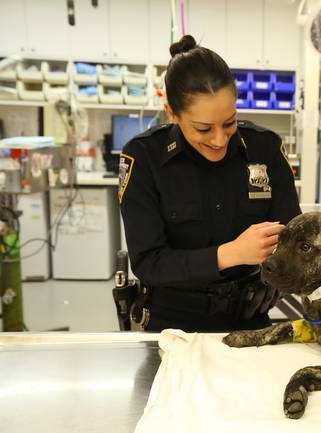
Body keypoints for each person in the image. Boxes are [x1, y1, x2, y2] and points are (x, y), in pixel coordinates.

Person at [119, 35, 301, 331]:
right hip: (172, 323)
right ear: (172, 114)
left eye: (229, 123)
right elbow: (149, 263)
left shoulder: (264, 148)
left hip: (249, 319)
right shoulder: (143, 157)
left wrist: (279, 278)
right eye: (203, 129)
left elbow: (292, 237)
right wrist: (231, 254)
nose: (219, 140)